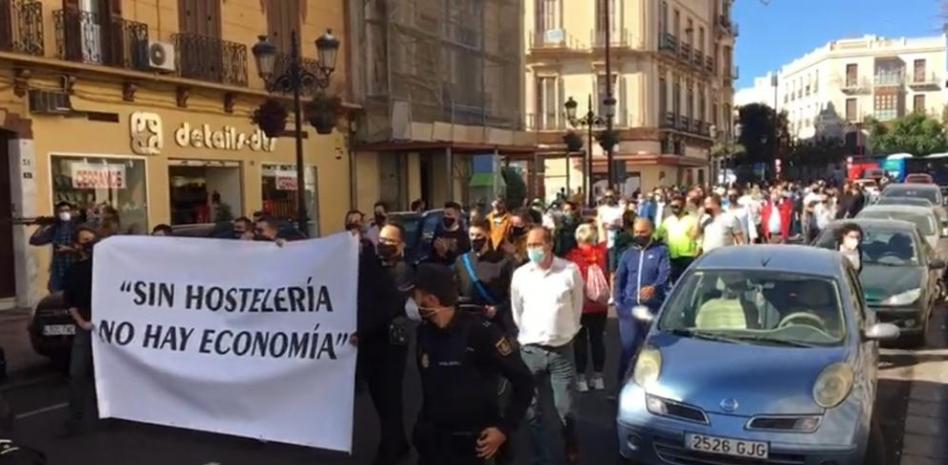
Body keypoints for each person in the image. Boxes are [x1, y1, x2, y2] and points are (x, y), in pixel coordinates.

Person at [409, 263, 535, 465]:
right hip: (435, 444)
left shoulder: (482, 333)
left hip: (476, 446)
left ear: (431, 300)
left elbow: (524, 382)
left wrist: (504, 428)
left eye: (415, 295)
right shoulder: (424, 333)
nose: (412, 302)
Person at [511, 227, 584, 465]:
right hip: (530, 351)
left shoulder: (569, 271)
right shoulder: (521, 275)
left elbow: (577, 308)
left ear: (550, 244)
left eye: (537, 244)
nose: (533, 250)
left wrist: (565, 332)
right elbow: (517, 311)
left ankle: (570, 443)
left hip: (561, 351)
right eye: (529, 245)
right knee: (532, 410)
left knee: (566, 408)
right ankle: (540, 457)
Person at [355, 222, 413, 465]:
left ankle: (389, 450)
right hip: (370, 344)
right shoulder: (372, 265)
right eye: (381, 240)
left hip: (390, 346)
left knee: (389, 398)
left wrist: (362, 331)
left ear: (401, 245)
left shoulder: (404, 271)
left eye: (390, 241)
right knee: (380, 399)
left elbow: (387, 308)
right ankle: (398, 443)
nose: (383, 245)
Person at [614, 218, 670, 385]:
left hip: (653, 307)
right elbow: (619, 279)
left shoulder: (661, 252)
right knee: (628, 347)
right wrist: (619, 303)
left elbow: (665, 274)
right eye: (636, 232)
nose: (639, 235)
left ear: (651, 231)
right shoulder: (628, 254)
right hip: (630, 307)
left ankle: (653, 383)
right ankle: (621, 384)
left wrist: (655, 287)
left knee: (653, 349)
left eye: (642, 232)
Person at [61, 226, 98, 436]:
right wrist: (82, 323)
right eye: (85, 240)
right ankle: (74, 419)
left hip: (108, 329)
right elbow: (70, 301)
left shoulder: (105, 267)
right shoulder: (73, 271)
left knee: (103, 373)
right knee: (77, 373)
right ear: (77, 244)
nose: (89, 244)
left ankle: (107, 414)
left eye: (92, 240)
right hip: (85, 326)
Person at [565, 224, 609, 393]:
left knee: (580, 343)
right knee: (598, 341)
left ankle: (581, 378)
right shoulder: (602, 253)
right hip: (599, 306)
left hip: (580, 307)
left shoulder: (573, 257)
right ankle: (598, 377)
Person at [454, 219, 516, 336]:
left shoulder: (503, 261)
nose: (474, 239)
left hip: (495, 323)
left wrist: (497, 308)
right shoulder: (461, 261)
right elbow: (455, 290)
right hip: (468, 321)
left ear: (488, 234)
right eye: (471, 235)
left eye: (478, 235)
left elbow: (511, 295)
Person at [29, 201, 78, 292]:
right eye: (61, 211)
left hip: (74, 268)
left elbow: (87, 248)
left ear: (71, 212)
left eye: (67, 210)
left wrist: (69, 249)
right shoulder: (54, 228)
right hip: (58, 269)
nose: (64, 213)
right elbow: (34, 241)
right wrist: (42, 226)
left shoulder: (77, 227)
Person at [656, 196, 700, 283]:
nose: (674, 209)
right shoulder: (668, 221)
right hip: (673, 257)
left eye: (677, 206)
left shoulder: (692, 220)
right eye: (672, 206)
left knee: (688, 282)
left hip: (688, 257)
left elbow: (698, 238)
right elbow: (657, 234)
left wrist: (697, 252)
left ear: (683, 206)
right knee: (675, 282)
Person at [428, 201, 470, 266]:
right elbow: (431, 254)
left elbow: (464, 258)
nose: (446, 217)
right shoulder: (439, 233)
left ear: (457, 215)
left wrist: (447, 251)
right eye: (444, 214)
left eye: (449, 214)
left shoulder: (463, 235)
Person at [597, 190, 624, 277]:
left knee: (613, 268)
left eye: (611, 197)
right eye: (607, 197)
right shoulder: (601, 209)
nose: (609, 199)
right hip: (603, 240)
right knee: (603, 267)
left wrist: (615, 226)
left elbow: (622, 224)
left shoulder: (619, 209)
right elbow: (599, 223)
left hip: (614, 241)